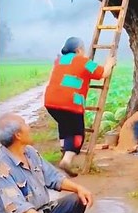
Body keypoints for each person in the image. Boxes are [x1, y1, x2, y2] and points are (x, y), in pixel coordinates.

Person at [0, 113, 93, 213]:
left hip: (41, 210)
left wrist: (78, 188)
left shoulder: (29, 152)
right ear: (18, 135)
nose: (29, 127)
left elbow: (54, 178)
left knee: (77, 199)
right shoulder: (1, 166)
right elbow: (19, 209)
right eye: (25, 124)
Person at [44, 37, 116, 177]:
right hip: (70, 103)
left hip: (50, 101)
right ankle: (66, 160)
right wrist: (110, 62)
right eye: (82, 50)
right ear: (78, 50)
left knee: (64, 126)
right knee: (77, 133)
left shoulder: (59, 61)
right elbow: (103, 73)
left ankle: (63, 151)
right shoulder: (83, 62)